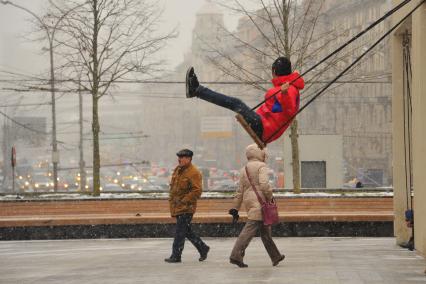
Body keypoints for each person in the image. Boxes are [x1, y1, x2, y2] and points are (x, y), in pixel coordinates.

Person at [186, 57, 304, 145]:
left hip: (265, 129)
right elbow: (275, 111)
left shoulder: (289, 89)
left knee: (236, 103)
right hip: (264, 126)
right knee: (237, 104)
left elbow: (290, 111)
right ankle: (197, 90)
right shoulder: (287, 87)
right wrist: (247, 117)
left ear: (274, 71)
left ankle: (196, 90)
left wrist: (284, 94)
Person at [228, 144, 285, 268]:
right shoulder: (261, 166)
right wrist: (270, 197)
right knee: (248, 231)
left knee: (265, 232)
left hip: (250, 202)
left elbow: (240, 191)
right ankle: (235, 256)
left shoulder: (244, 169)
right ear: (260, 153)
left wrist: (235, 208)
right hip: (260, 203)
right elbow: (264, 185)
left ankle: (276, 256)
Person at [164, 149, 210, 263]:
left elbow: (197, 190)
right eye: (179, 157)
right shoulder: (178, 169)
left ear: (189, 159)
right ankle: (203, 248)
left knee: (180, 232)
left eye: (182, 157)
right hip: (178, 206)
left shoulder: (194, 172)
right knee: (186, 231)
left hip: (186, 207)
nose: (179, 159)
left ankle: (176, 255)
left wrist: (184, 201)